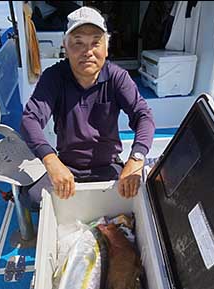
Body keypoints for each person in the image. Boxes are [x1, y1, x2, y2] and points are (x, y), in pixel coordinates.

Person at [20, 6, 155, 209]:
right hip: (68, 166)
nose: (88, 52)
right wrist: (51, 160)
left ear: (106, 48)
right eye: (78, 43)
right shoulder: (54, 76)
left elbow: (143, 115)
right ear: (66, 47)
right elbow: (30, 119)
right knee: (32, 198)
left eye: (95, 43)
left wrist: (136, 158)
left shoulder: (117, 77)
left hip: (108, 166)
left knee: (139, 196)